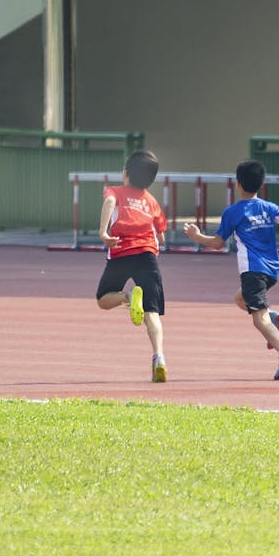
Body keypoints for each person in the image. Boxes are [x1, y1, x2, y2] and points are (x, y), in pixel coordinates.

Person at [183, 159, 279, 380]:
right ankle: (273, 317)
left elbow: (217, 243)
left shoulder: (233, 212)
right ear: (261, 184)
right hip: (272, 271)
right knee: (240, 299)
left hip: (253, 270)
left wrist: (196, 237)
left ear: (238, 183)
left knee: (257, 318)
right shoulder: (268, 207)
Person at [95, 149, 170, 382]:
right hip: (147, 255)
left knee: (103, 299)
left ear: (125, 173)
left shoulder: (115, 191)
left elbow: (109, 201)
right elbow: (162, 235)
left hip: (121, 252)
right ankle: (159, 357)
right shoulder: (151, 202)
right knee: (152, 312)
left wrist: (103, 231)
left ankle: (127, 297)